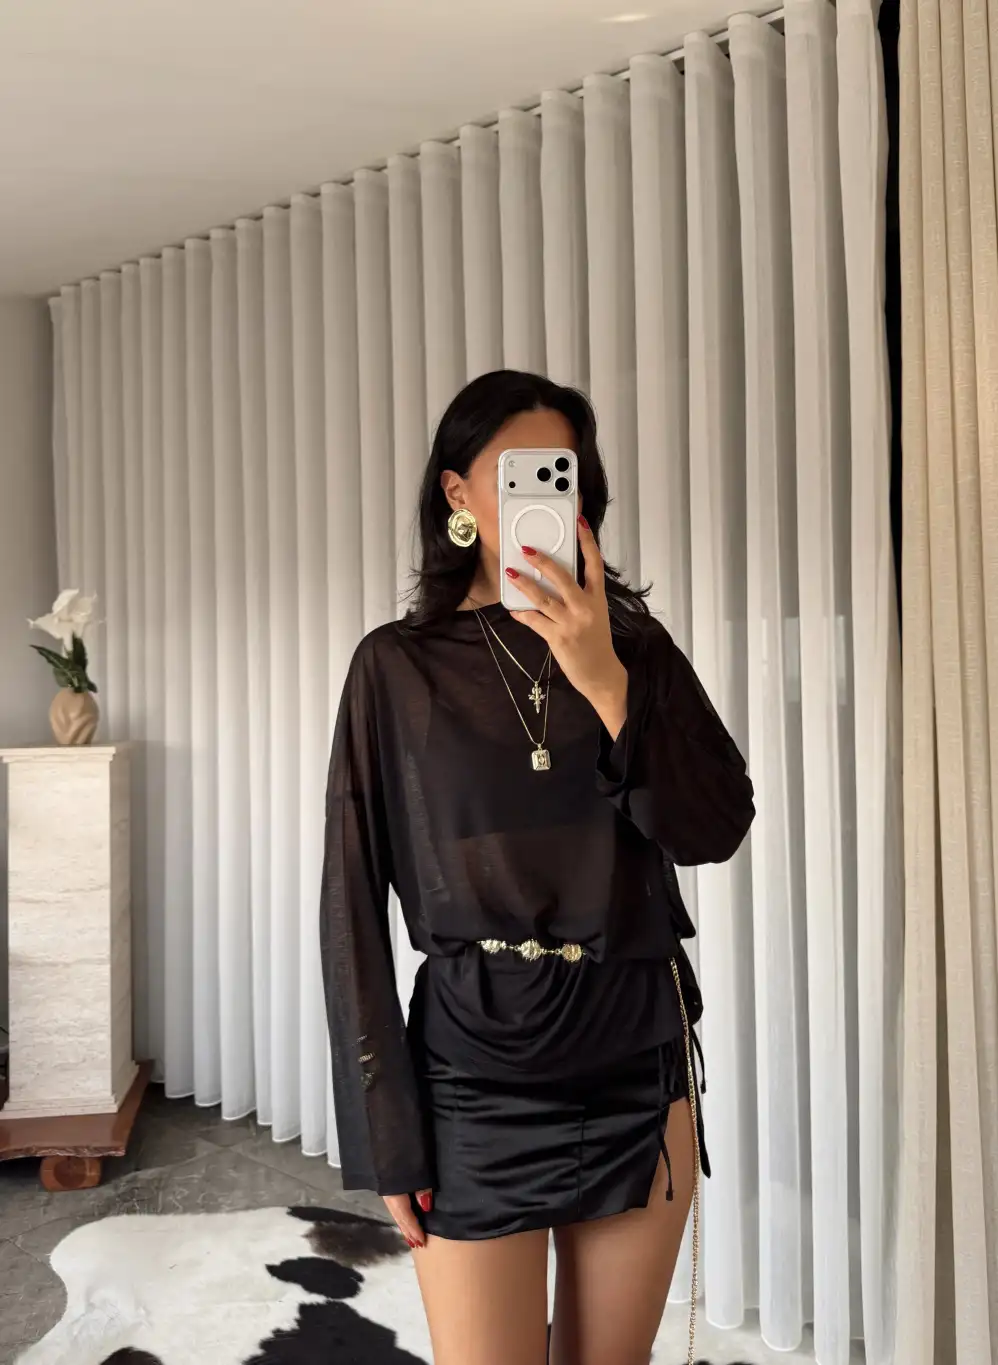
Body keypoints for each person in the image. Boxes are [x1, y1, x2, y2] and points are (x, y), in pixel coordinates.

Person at [320, 369, 754, 1365]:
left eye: (562, 470)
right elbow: (350, 902)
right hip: (473, 1077)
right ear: (458, 493)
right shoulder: (396, 667)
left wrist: (607, 684)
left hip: (634, 1063)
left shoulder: (635, 650)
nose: (544, 489)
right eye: (517, 469)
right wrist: (385, 1130)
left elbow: (715, 827)